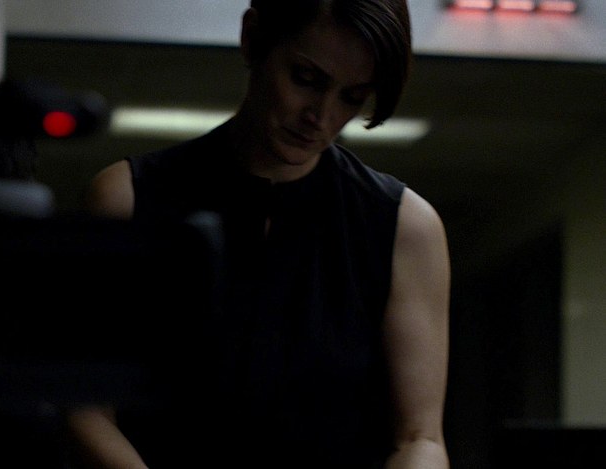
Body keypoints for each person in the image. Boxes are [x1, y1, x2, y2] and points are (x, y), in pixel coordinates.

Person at [69, 0, 451, 468]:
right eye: (306, 79)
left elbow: (420, 438)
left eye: (352, 97)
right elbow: (84, 408)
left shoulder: (403, 228)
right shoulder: (129, 200)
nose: (321, 115)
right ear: (252, 39)